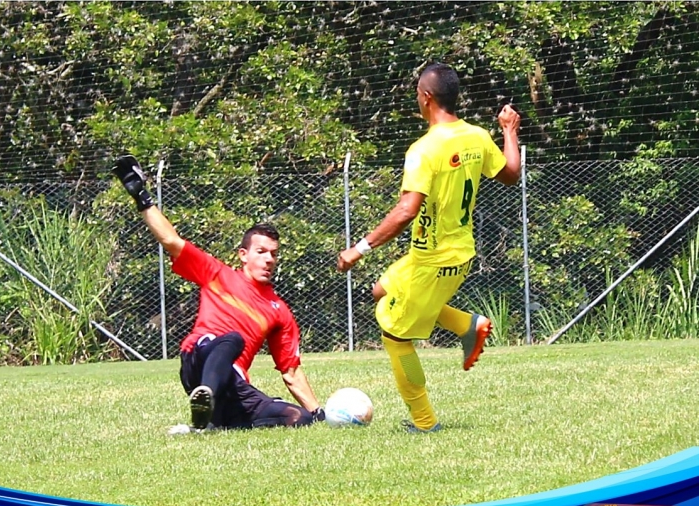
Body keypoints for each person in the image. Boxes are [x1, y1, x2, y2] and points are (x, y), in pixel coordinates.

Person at [337, 63, 521, 434]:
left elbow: (407, 210)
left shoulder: (424, 149)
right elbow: (511, 174)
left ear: (426, 97)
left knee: (395, 335)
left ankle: (424, 423)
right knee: (382, 290)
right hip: (453, 254)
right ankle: (469, 325)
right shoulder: (476, 136)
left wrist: (359, 248)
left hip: (433, 261)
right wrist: (508, 131)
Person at [112, 155, 325, 433]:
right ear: (243, 255)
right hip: (198, 361)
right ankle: (206, 408)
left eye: (274, 254)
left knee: (298, 419)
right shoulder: (217, 274)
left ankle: (214, 423)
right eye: (261, 252)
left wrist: (318, 412)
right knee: (232, 340)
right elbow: (171, 240)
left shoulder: (279, 310)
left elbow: (291, 372)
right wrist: (141, 196)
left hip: (234, 385)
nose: (269, 259)